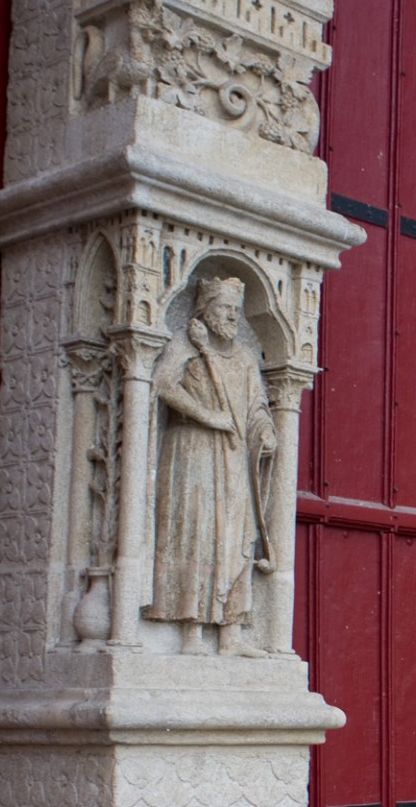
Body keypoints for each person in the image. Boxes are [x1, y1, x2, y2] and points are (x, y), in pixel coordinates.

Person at [146, 275, 277, 655]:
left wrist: (265, 431)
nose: (232, 316)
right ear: (204, 311)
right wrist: (206, 415)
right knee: (199, 533)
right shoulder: (186, 345)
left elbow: (255, 407)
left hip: (234, 456)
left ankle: (232, 632)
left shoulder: (245, 358)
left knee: (238, 536)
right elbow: (162, 385)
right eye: (224, 308)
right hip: (193, 451)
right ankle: (190, 632)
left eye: (236, 310)